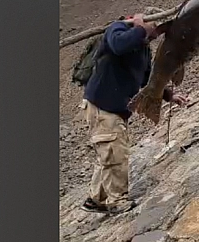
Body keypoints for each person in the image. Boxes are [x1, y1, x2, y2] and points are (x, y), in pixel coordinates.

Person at [79, 14, 187, 214]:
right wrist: (139, 27)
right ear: (146, 23)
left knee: (109, 150)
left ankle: (97, 198)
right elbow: (119, 45)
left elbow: (147, 81)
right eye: (156, 29)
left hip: (115, 108)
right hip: (102, 106)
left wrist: (169, 95)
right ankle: (116, 200)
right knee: (115, 152)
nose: (157, 35)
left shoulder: (143, 49)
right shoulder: (117, 29)